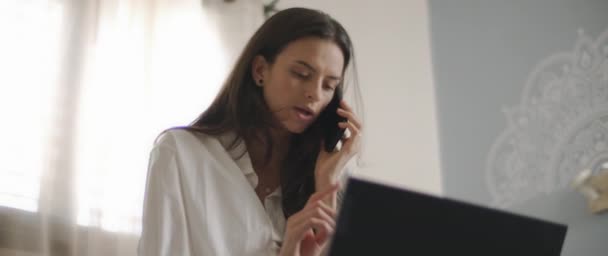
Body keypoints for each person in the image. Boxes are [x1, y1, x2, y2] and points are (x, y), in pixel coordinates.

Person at [138, 7, 363, 256]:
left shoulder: (327, 178)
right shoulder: (180, 154)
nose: (315, 94)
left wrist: (327, 182)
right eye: (301, 74)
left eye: (329, 86)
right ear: (259, 70)